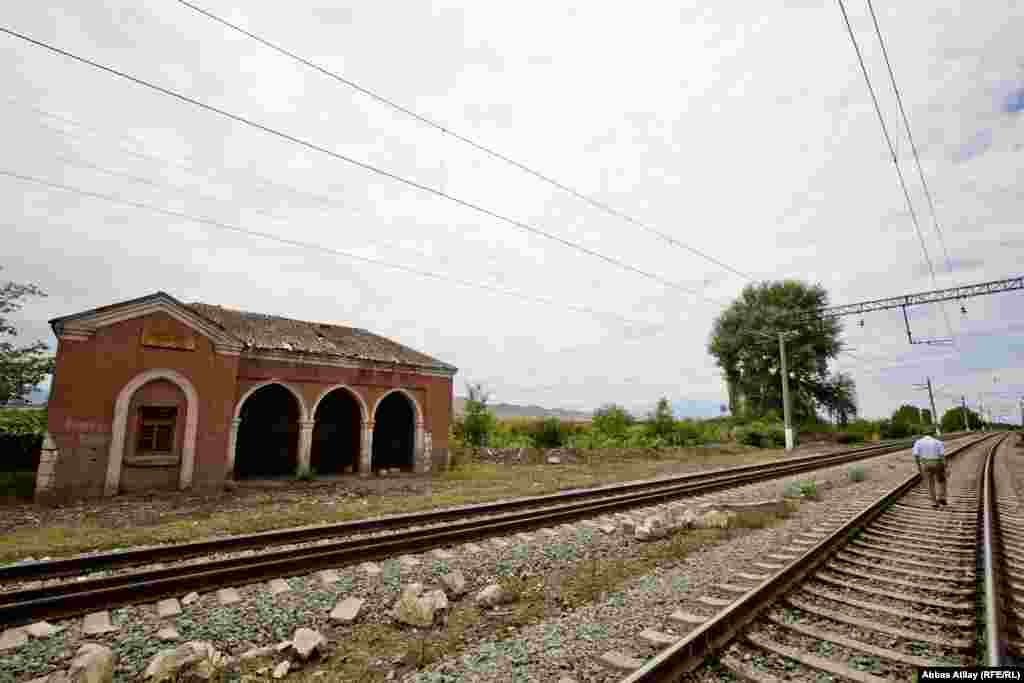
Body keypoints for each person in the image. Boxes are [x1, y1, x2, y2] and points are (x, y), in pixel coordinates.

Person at [912, 432, 947, 508]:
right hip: (937, 463)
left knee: (930, 483)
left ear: (924, 435)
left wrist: (919, 466)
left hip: (925, 464)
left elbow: (916, 455)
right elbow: (942, 456)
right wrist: (945, 467)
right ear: (933, 434)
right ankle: (942, 497)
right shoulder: (938, 442)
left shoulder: (918, 442)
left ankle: (934, 502)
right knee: (942, 480)